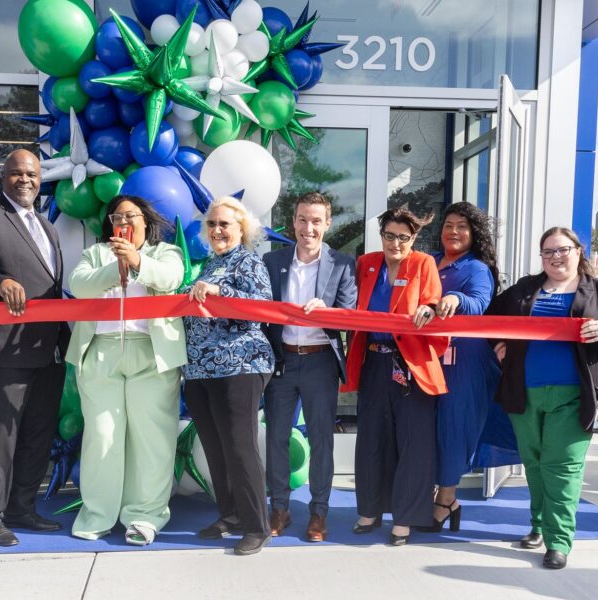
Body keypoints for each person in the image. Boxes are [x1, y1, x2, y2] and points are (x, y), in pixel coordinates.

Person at [487, 226, 598, 570]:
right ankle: (538, 525)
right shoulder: (525, 289)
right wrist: (498, 343)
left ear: (578, 251)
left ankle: (558, 541)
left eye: (562, 249)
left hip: (576, 395)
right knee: (535, 463)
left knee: (563, 467)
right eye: (548, 252)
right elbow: (489, 317)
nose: (556, 257)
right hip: (524, 393)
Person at [0, 149, 69, 547]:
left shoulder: (46, 226)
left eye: (32, 174)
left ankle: (22, 507)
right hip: (3, 352)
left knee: (38, 434)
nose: (26, 180)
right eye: (17, 173)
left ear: (41, 179)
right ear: (3, 177)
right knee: (1, 435)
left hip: (46, 351)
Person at [65, 195, 186, 545]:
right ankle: (97, 514)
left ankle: (145, 517)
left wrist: (136, 261)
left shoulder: (165, 252)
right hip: (101, 352)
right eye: (118, 216)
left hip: (151, 353)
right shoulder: (96, 253)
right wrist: (115, 267)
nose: (125, 222)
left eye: (132, 216)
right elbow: (79, 285)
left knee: (152, 439)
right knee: (102, 435)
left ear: (145, 222)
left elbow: (170, 279)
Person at [343, 207, 447, 547]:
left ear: (414, 238)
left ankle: (405, 518)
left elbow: (432, 301)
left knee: (414, 445)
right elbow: (347, 303)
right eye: (390, 235)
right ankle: (369, 510)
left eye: (404, 237)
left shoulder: (423, 264)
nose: (396, 243)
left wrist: (429, 309)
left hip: (411, 366)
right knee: (371, 439)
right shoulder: (366, 263)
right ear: (381, 235)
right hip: (374, 363)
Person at [182, 196, 275, 556]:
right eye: (212, 224)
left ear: (242, 229)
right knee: (216, 448)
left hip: (240, 366)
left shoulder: (248, 261)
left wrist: (223, 291)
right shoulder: (207, 265)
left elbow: (262, 306)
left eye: (225, 224)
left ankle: (257, 526)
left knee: (240, 447)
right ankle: (231, 515)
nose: (218, 230)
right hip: (201, 370)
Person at [262, 192, 357, 542]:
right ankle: (280, 508)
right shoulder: (273, 262)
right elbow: (259, 311)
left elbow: (349, 315)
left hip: (320, 362)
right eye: (303, 219)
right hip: (282, 361)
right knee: (276, 438)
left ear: (327, 224)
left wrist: (327, 312)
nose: (308, 227)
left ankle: (319, 512)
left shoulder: (344, 264)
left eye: (316, 220)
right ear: (294, 221)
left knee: (321, 441)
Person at [419, 203, 500, 533]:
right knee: (425, 430)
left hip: (463, 363)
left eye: (462, 226)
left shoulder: (477, 269)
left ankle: (446, 500)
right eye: (448, 225)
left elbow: (479, 303)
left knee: (454, 429)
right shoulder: (429, 263)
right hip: (426, 360)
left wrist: (455, 298)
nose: (453, 231)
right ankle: (425, 494)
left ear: (473, 233)